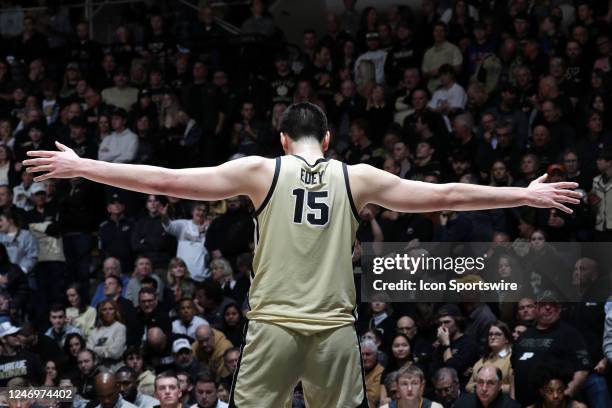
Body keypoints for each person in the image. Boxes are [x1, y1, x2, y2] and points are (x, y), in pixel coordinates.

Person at [24, 102, 580, 407]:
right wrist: (524, 195)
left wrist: (84, 166)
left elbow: (168, 178)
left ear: (283, 139)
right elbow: (445, 195)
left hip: (273, 329)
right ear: (329, 138)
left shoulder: (260, 170)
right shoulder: (355, 176)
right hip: (335, 332)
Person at [454, 365, 520, 408]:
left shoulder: (512, 406)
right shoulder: (461, 404)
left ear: (499, 385)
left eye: (490, 383)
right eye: (480, 382)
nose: (484, 388)